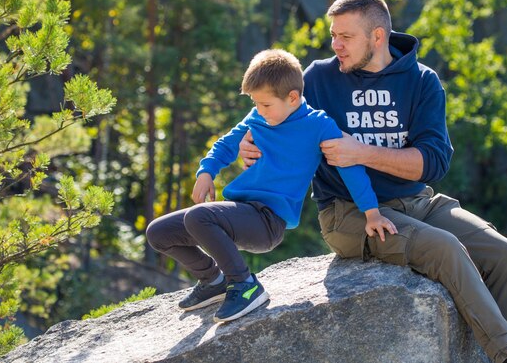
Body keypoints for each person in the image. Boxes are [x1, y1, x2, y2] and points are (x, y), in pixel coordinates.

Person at [239, 0, 507, 363]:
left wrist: (361, 152)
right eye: (333, 35)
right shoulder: (318, 79)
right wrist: (251, 145)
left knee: (506, 254)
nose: (335, 45)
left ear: (377, 37)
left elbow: (434, 162)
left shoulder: (422, 82)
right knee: (445, 249)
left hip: (418, 202)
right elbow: (269, 117)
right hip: (348, 213)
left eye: (346, 37)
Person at [146, 48, 394, 323]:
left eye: (266, 105)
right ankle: (213, 281)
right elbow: (226, 144)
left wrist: (372, 212)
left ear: (292, 97)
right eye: (256, 104)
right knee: (159, 232)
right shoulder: (257, 117)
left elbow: (350, 168)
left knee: (198, 217)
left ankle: (245, 285)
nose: (260, 112)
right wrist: (206, 171)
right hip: (240, 210)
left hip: (267, 221)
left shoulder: (319, 125)